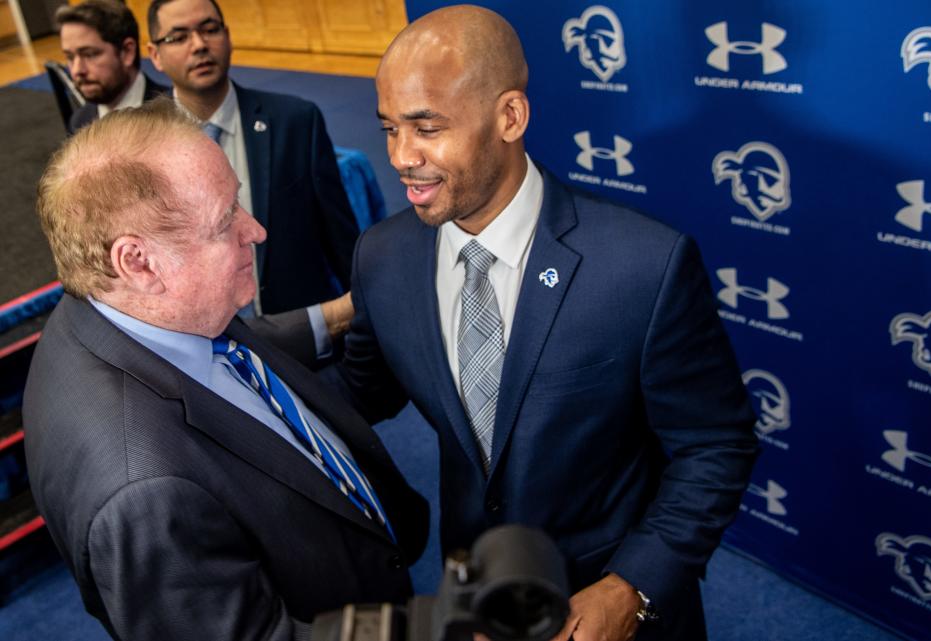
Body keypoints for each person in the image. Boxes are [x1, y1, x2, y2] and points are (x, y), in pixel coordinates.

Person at [324, 5, 759, 640]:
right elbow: (363, 392)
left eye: (426, 127)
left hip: (609, 609)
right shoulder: (382, 256)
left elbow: (716, 445)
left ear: (510, 117)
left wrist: (630, 588)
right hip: (474, 600)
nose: (400, 156)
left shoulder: (645, 266)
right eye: (390, 128)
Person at [23, 99, 427, 641]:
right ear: (138, 262)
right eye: (225, 220)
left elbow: (239, 344)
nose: (255, 230)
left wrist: (341, 313)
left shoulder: (116, 308)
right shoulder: (145, 495)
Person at [146, 0, 359, 316]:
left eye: (209, 30)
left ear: (228, 36)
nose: (199, 45)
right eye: (178, 37)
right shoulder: (142, 144)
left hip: (302, 334)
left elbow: (341, 241)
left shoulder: (296, 122)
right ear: (155, 55)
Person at [56, 0, 168, 134]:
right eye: (70, 57)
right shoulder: (79, 122)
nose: (77, 70)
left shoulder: (175, 114)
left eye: (90, 54)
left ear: (127, 51)